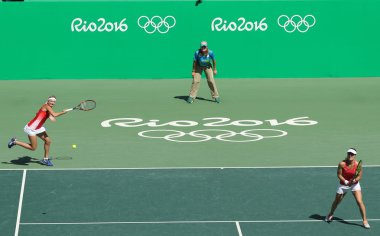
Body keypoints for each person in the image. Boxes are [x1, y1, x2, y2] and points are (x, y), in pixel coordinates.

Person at [7, 96, 67, 166]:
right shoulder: (46, 106)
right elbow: (54, 114)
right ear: (48, 101)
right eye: (51, 101)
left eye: (54, 101)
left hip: (38, 128)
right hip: (31, 128)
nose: (52, 103)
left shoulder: (47, 108)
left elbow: (40, 113)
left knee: (48, 141)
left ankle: (45, 159)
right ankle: (15, 142)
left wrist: (50, 117)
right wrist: (63, 112)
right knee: (33, 148)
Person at [325, 148, 370, 229]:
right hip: (343, 184)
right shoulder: (342, 164)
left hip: (354, 184)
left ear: (355, 155)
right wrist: (345, 181)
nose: (350, 155)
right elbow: (339, 175)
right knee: (337, 201)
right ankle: (331, 213)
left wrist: (355, 180)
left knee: (359, 201)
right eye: (349, 153)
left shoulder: (358, 165)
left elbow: (359, 176)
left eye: (352, 154)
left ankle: (365, 220)